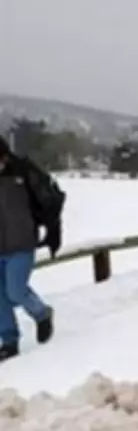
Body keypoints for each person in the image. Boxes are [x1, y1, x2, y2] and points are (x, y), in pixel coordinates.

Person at [0, 137, 64, 361]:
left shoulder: (25, 172)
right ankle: (8, 341)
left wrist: (53, 230)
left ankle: (41, 313)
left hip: (21, 243)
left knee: (15, 290)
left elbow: (50, 201)